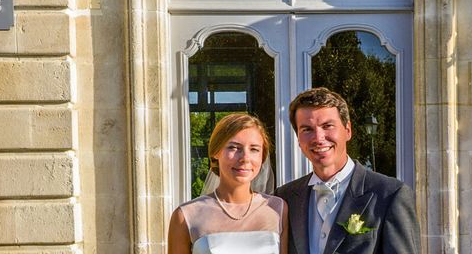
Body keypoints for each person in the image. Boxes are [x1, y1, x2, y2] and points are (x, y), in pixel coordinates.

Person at [276, 87, 421, 254]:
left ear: (348, 130)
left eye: (327, 126)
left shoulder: (390, 194)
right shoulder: (285, 197)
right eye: (307, 129)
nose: (318, 138)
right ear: (298, 139)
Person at [168, 113, 289, 254]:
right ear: (215, 152)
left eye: (254, 149)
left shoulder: (278, 209)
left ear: (262, 157)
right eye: (233, 147)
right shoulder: (186, 216)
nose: (245, 158)